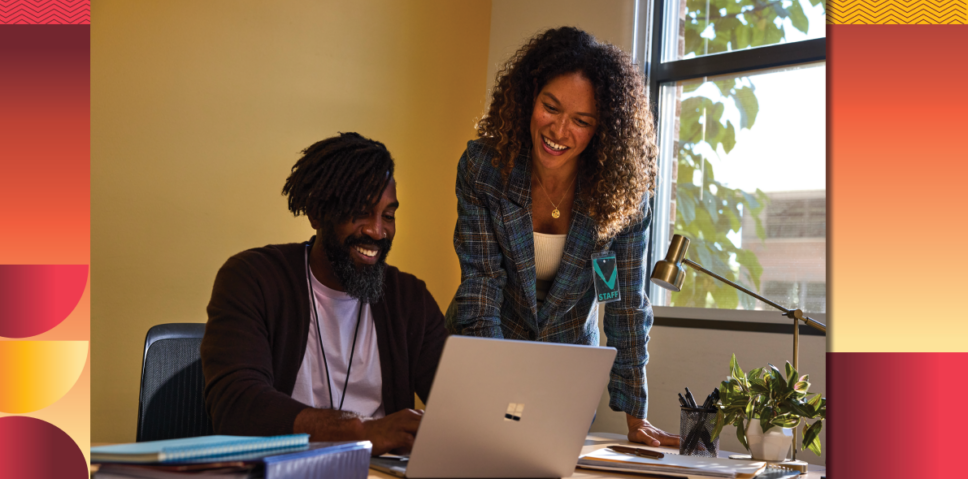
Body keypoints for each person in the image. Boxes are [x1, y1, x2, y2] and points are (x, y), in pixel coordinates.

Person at [445, 27, 679, 447]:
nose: (559, 130)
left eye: (582, 121)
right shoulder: (485, 169)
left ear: (602, 130)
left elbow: (623, 302)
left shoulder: (620, 199)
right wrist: (493, 389)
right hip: (486, 350)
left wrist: (634, 414)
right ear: (528, 99)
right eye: (550, 107)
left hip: (566, 371)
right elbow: (482, 286)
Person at [202, 132, 447, 456]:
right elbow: (237, 406)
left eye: (388, 215)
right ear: (317, 213)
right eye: (360, 211)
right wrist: (362, 432)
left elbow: (457, 409)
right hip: (283, 471)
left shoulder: (410, 299)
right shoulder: (252, 279)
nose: (377, 231)